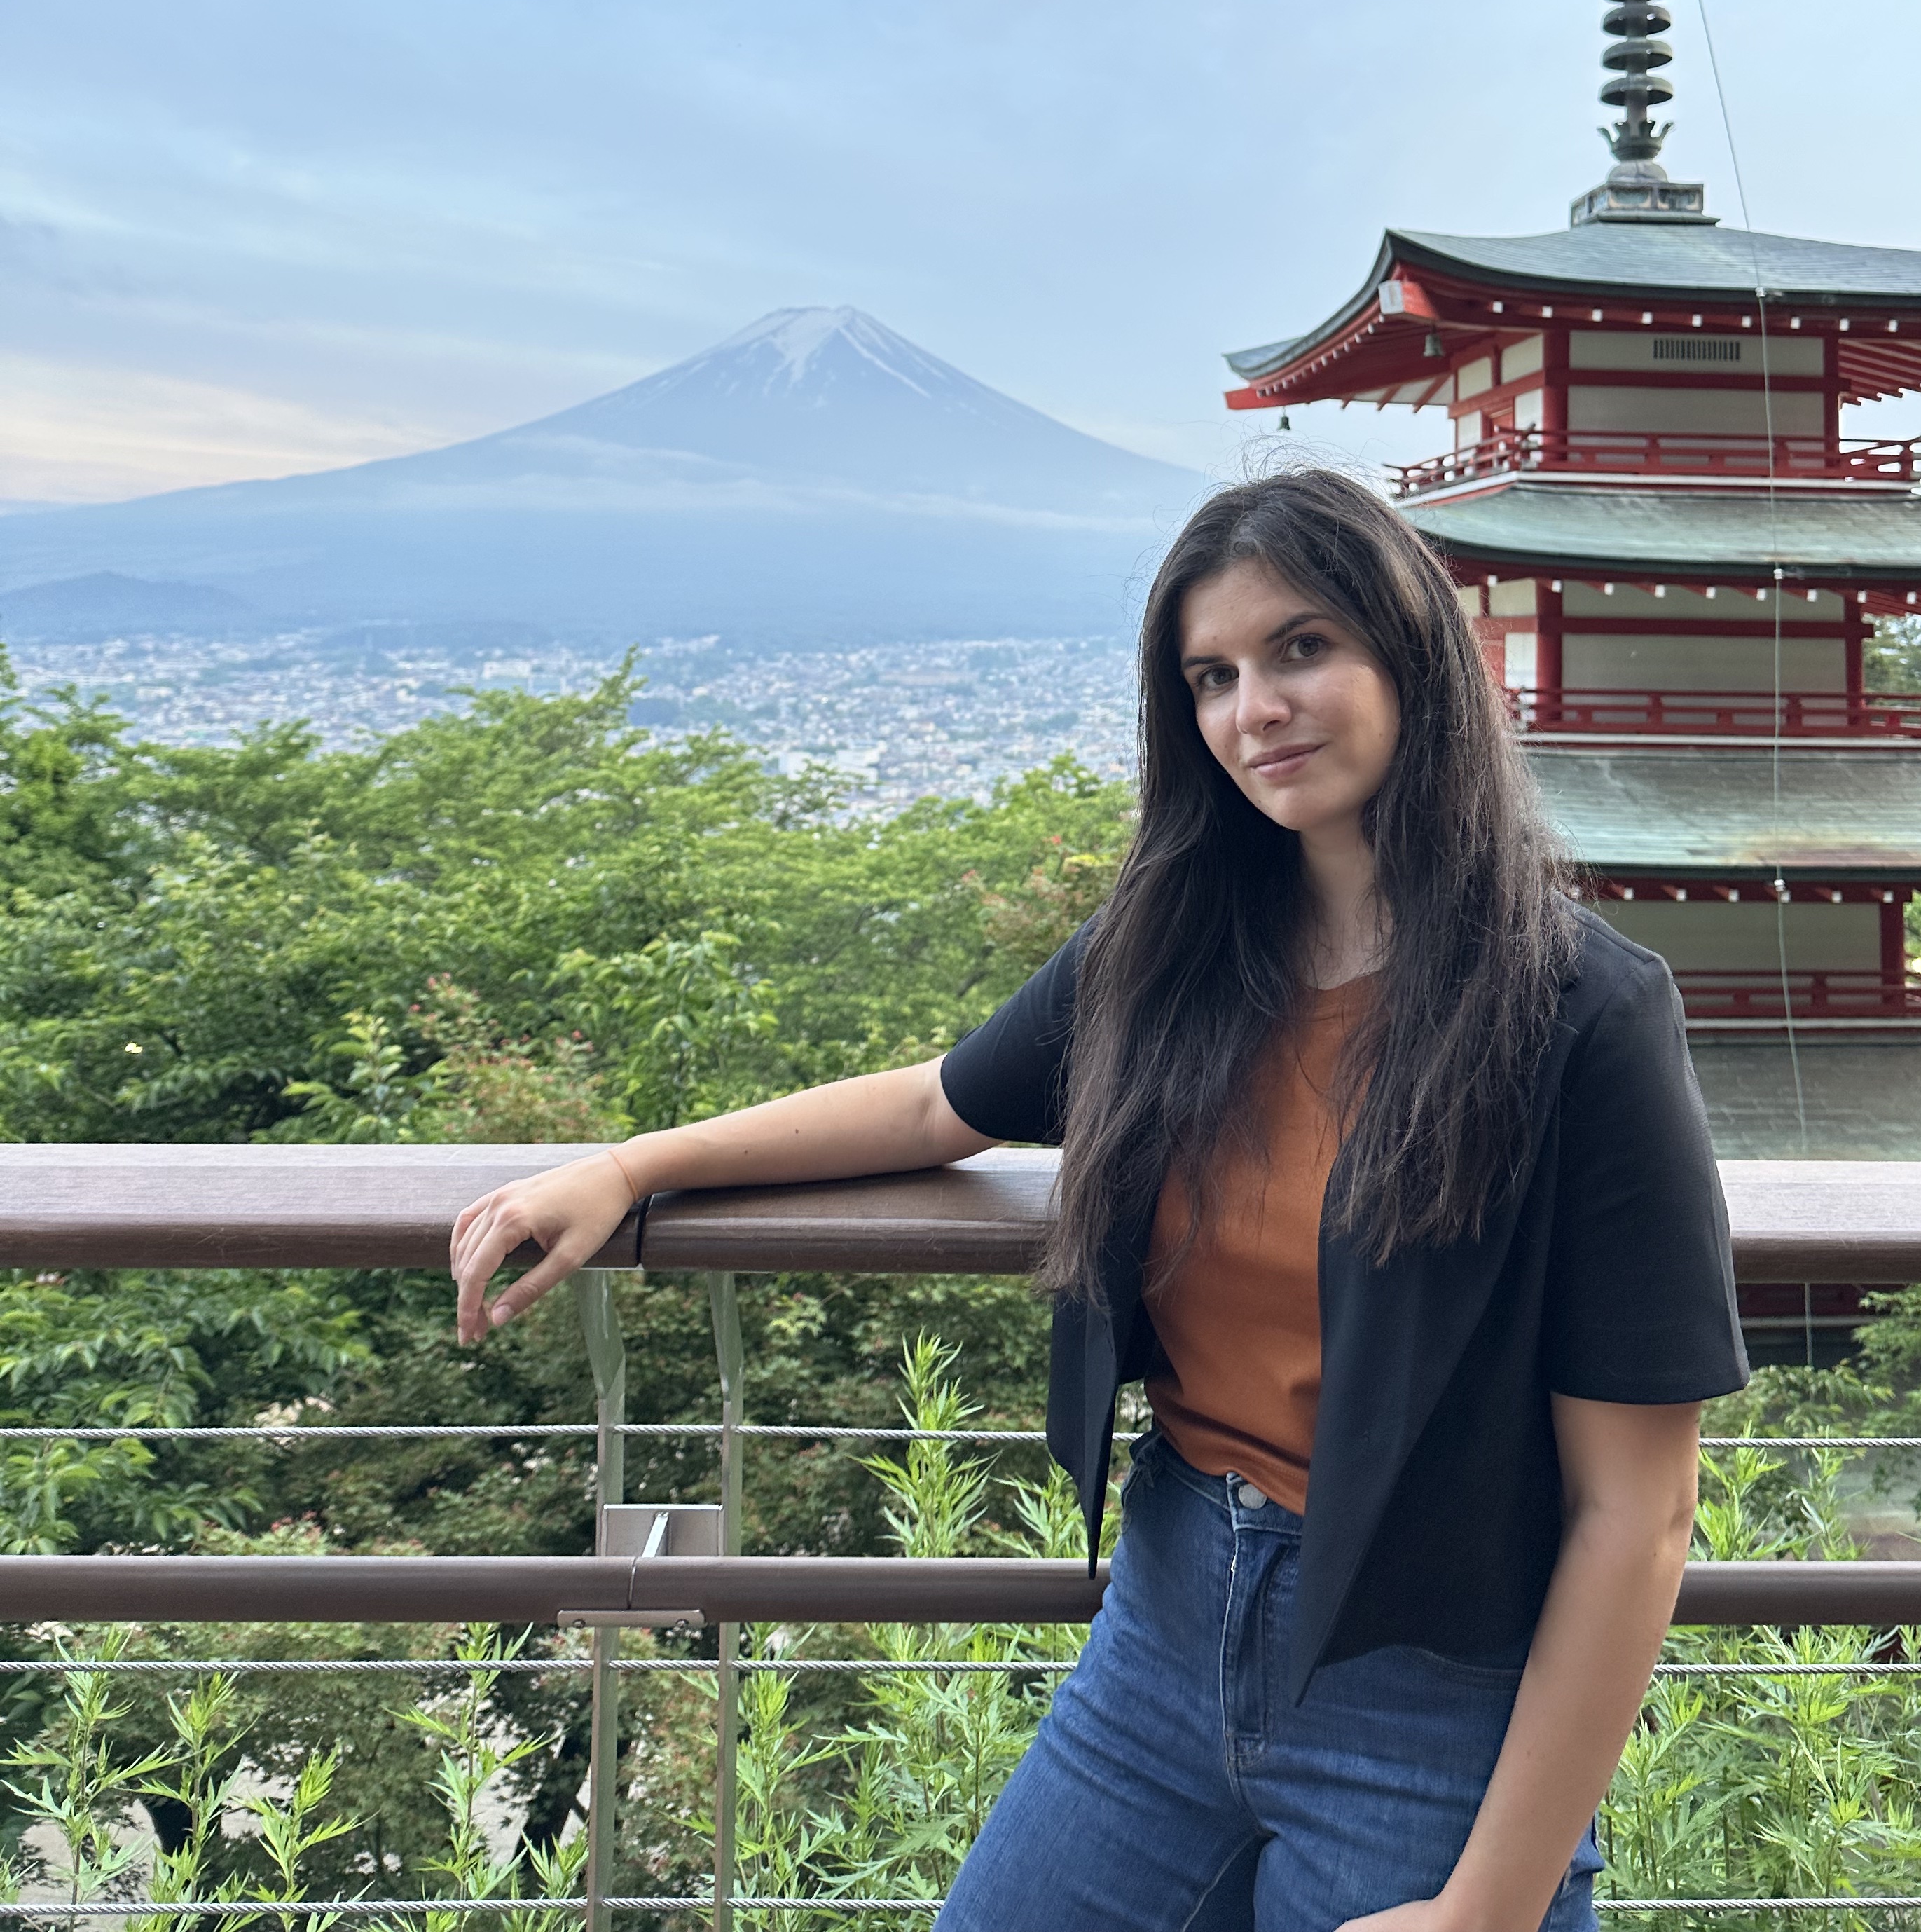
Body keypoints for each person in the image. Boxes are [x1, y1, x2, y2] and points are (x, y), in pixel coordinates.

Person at [453, 469, 1747, 1932]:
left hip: (1432, 1686)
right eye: (1214, 675)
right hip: (1170, 1623)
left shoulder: (1577, 1013)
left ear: (1410, 655)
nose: (1256, 707)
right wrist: (633, 1167)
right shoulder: (1174, 951)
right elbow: (944, 1101)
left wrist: (1488, 1907)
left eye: (1303, 648)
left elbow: (1636, 1512)